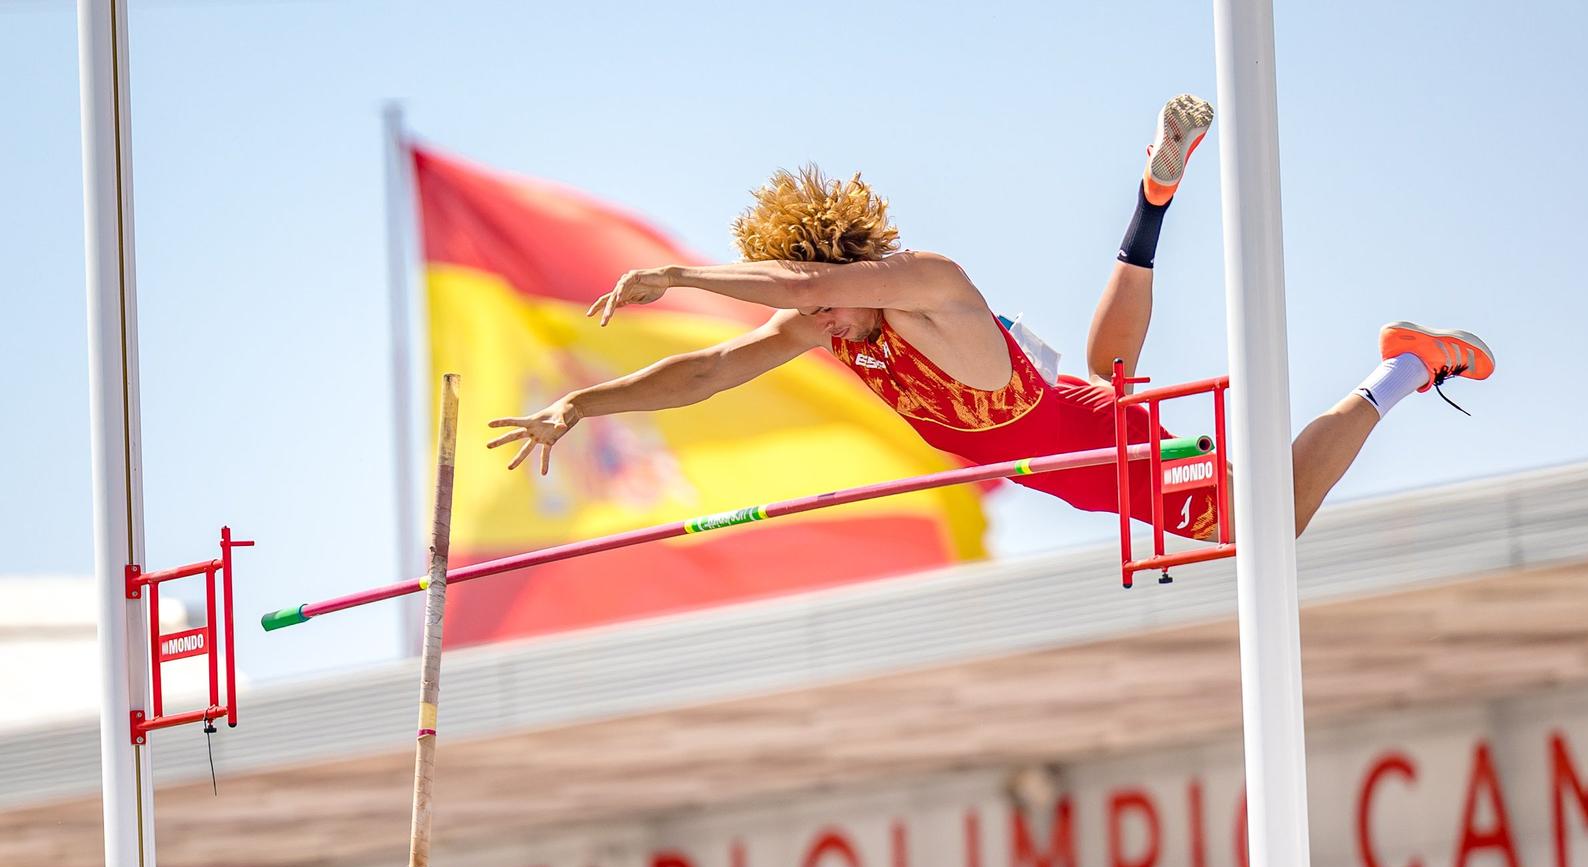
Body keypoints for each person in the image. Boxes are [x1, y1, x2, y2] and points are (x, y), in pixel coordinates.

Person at [486, 98, 1494, 546]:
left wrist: (678, 270)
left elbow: (791, 290)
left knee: (1262, 522)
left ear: (835, 262)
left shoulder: (922, 281)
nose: (818, 315)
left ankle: (1404, 368)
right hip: (1056, 434)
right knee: (1108, 369)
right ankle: (1149, 200)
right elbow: (704, 372)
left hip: (1076, 445)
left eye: (819, 288)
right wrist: (580, 402)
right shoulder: (828, 327)